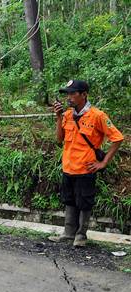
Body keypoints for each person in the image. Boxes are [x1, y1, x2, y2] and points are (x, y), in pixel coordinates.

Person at [48, 79, 124, 247]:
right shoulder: (67, 115)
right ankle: (68, 234)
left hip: (85, 168)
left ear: (84, 95)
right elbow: (59, 140)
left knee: (84, 202)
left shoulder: (98, 116)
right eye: (67, 94)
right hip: (68, 167)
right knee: (69, 200)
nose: (69, 97)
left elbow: (117, 138)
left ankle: (81, 236)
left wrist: (103, 162)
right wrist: (58, 117)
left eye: (73, 93)